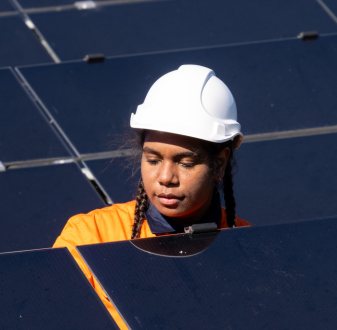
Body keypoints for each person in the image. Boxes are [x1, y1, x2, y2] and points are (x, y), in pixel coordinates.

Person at [53, 65, 251, 330]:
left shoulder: (251, 247)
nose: (166, 177)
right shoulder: (89, 237)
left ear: (219, 165)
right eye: (153, 159)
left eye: (186, 162)